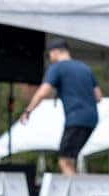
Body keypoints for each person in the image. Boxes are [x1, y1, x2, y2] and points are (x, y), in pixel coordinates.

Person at [20, 38, 102, 175]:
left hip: (75, 118)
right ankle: (76, 185)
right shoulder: (85, 68)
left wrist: (28, 110)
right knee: (71, 159)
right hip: (92, 119)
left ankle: (76, 189)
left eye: (50, 54)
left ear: (55, 52)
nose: (50, 58)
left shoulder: (57, 68)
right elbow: (98, 96)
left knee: (64, 161)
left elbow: (43, 92)